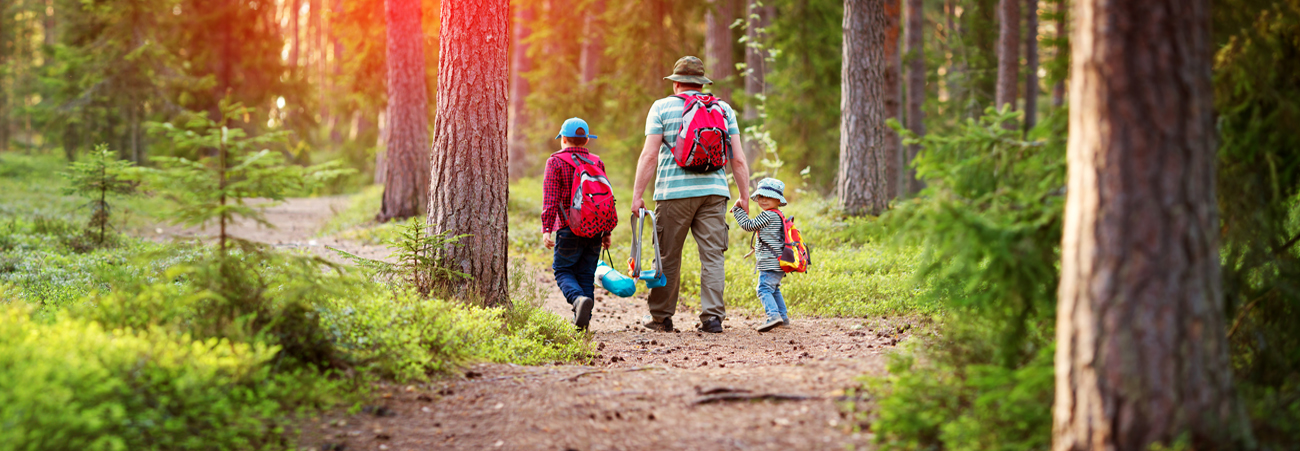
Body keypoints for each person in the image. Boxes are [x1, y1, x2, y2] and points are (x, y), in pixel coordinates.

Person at [630, 56, 751, 333]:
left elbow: (649, 156)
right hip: (714, 193)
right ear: (701, 83)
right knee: (712, 256)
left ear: (676, 85)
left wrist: (637, 196)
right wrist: (744, 195)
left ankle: (661, 317)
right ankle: (712, 318)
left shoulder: (661, 107)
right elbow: (738, 159)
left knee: (667, 256)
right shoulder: (723, 109)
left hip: (673, 194)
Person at [541, 117, 612, 330]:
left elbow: (551, 198)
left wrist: (546, 229)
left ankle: (577, 300)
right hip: (595, 229)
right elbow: (605, 199)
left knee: (562, 270)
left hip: (567, 227)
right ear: (586, 141)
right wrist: (606, 231)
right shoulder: (596, 162)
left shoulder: (555, 161)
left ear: (563, 139)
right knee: (585, 274)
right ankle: (583, 324)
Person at [731, 178, 791, 332]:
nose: (764, 200)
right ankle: (783, 318)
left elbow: (748, 225)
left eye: (768, 197)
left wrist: (738, 210)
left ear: (778, 200)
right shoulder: (779, 214)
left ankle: (773, 316)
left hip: (770, 262)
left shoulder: (768, 215)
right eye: (761, 197)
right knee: (774, 289)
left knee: (763, 289)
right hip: (779, 262)